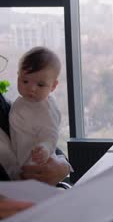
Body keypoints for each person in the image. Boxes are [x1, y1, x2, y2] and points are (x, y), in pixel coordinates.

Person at [0, 52, 70, 218]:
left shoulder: (10, 104)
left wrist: (62, 167)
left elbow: (42, 135)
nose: (31, 88)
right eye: (25, 81)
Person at [8, 47, 62, 179]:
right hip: (21, 168)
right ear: (18, 75)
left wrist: (45, 148)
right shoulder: (22, 102)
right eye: (25, 81)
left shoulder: (44, 109)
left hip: (36, 165)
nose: (31, 89)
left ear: (53, 86)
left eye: (40, 85)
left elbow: (51, 134)